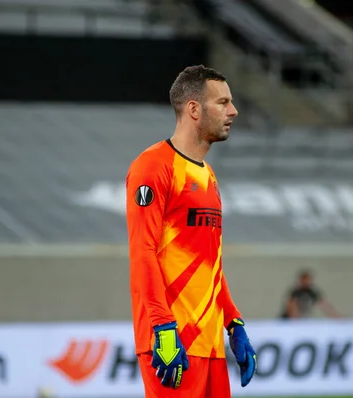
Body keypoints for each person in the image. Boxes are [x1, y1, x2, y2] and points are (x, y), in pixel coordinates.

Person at [125, 65, 257, 398]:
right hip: (173, 344)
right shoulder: (153, 166)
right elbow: (143, 252)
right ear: (194, 109)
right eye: (223, 102)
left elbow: (209, 263)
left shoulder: (208, 176)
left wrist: (233, 322)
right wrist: (163, 329)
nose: (233, 111)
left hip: (210, 347)